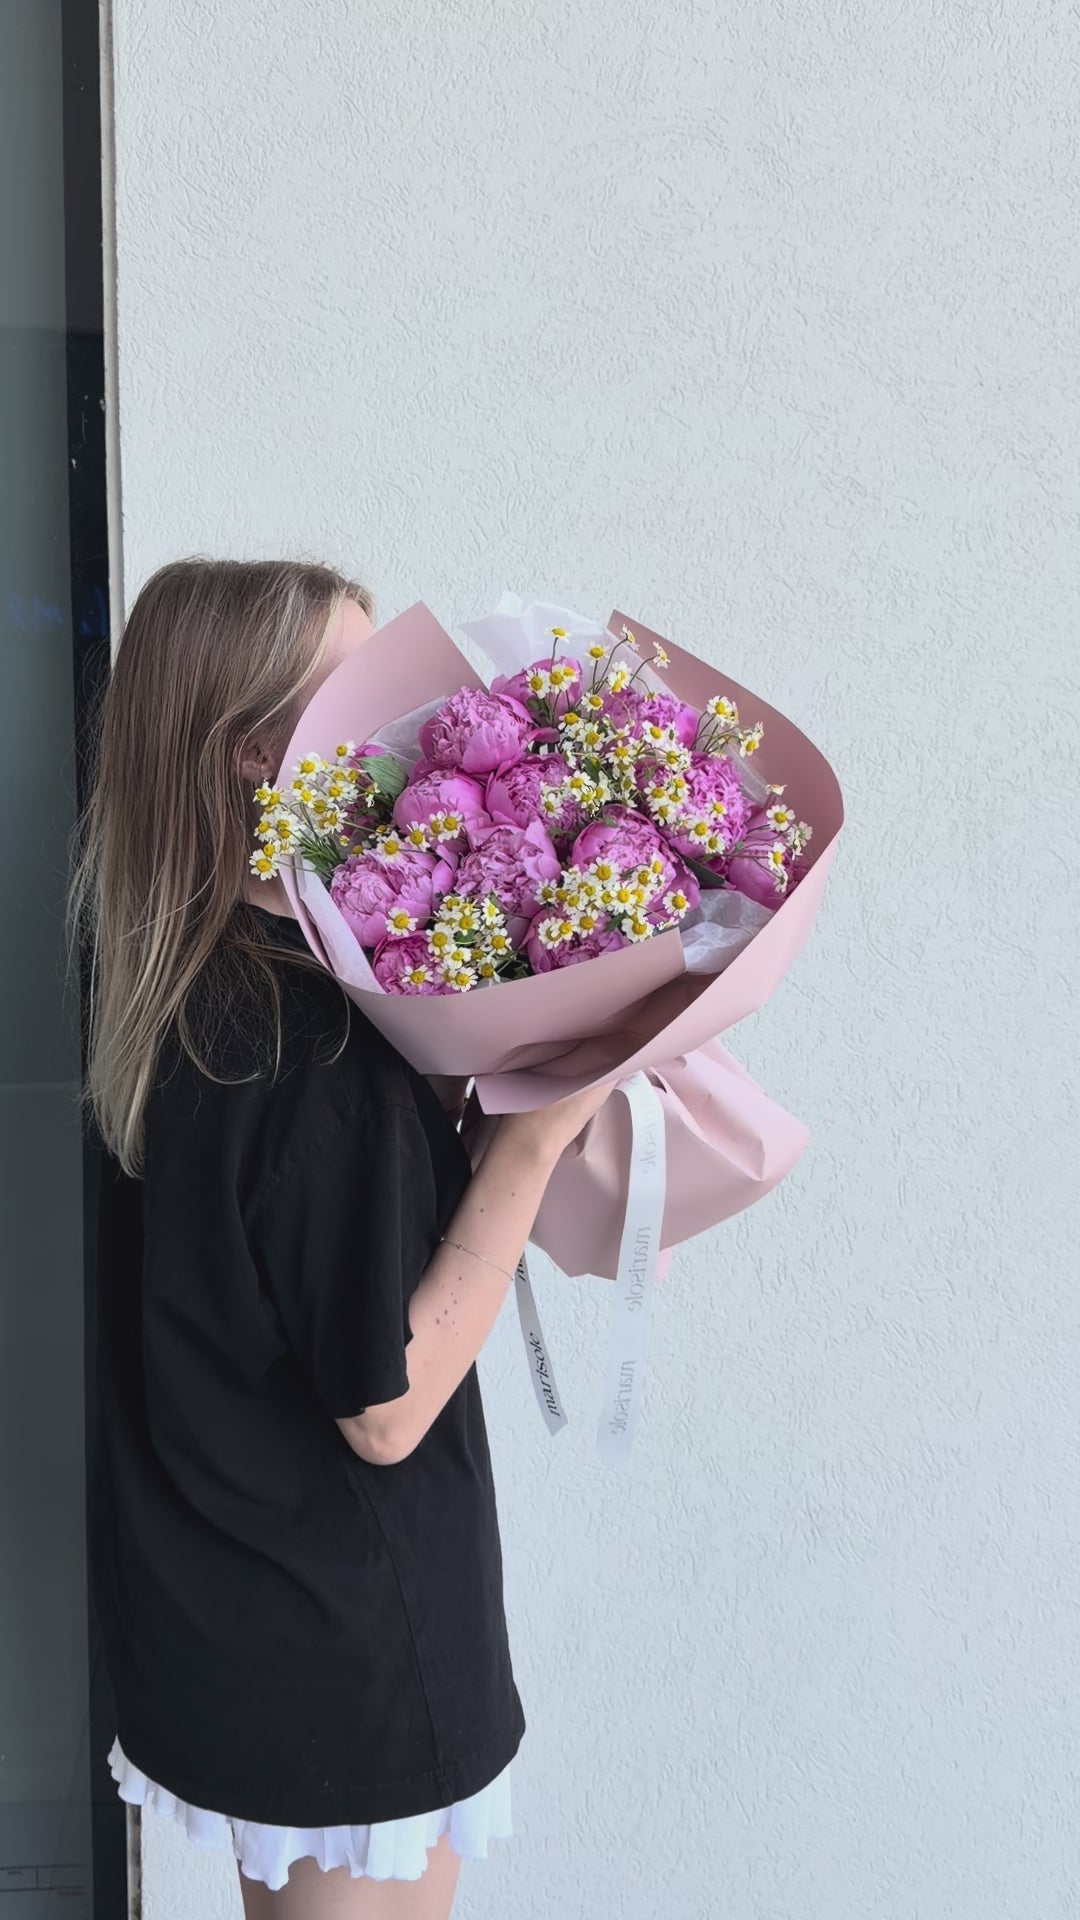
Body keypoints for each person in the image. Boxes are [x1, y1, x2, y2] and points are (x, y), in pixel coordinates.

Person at [70, 557, 612, 1919]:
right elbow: (385, 1404)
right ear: (261, 754)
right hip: (343, 1657)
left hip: (230, 1628)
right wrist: (536, 1140)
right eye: (358, 688)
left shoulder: (184, 993)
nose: (407, 719)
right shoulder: (305, 1044)